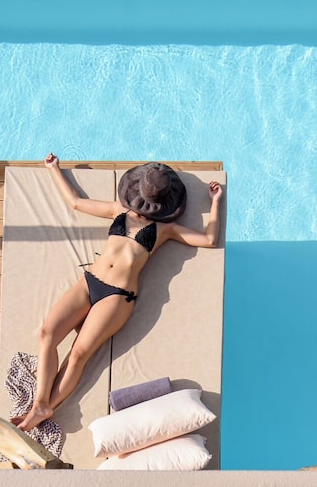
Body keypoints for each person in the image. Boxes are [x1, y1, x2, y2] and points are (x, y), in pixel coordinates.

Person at [12, 154, 224, 432]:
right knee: (46, 334)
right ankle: (40, 402)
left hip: (117, 296)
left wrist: (215, 203)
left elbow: (209, 239)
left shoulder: (166, 229)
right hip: (90, 282)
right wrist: (54, 169)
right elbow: (76, 202)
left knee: (78, 354)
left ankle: (43, 407)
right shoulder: (118, 211)